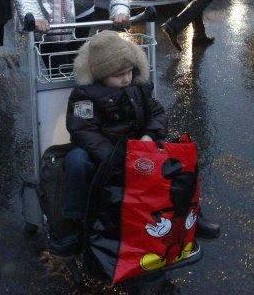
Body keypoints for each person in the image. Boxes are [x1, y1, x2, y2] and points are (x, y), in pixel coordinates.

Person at [50, 30, 220, 256]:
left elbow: (157, 113)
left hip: (139, 146)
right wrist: (115, 157)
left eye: (129, 71)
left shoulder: (138, 87)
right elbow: (83, 130)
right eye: (119, 74)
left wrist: (149, 136)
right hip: (104, 153)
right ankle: (74, 227)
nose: (126, 78)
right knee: (76, 161)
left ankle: (190, 216)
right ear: (101, 74)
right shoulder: (85, 95)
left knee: (178, 160)